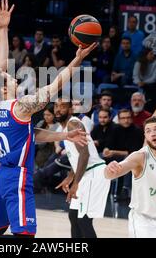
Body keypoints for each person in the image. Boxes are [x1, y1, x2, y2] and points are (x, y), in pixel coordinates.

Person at [0, 0, 95, 238]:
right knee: (25, 235)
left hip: (2, 175)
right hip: (18, 175)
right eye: (8, 78)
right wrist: (77, 60)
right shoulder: (21, 107)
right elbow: (54, 86)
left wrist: (3, 28)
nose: (12, 76)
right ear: (3, 87)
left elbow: (30, 134)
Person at [54, 99, 110, 238]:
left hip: (93, 173)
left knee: (83, 220)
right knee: (74, 216)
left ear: (71, 110)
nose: (58, 109)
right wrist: (70, 176)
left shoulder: (73, 124)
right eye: (56, 106)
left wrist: (76, 183)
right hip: (86, 174)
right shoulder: (66, 128)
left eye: (62, 106)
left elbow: (85, 155)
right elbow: (78, 156)